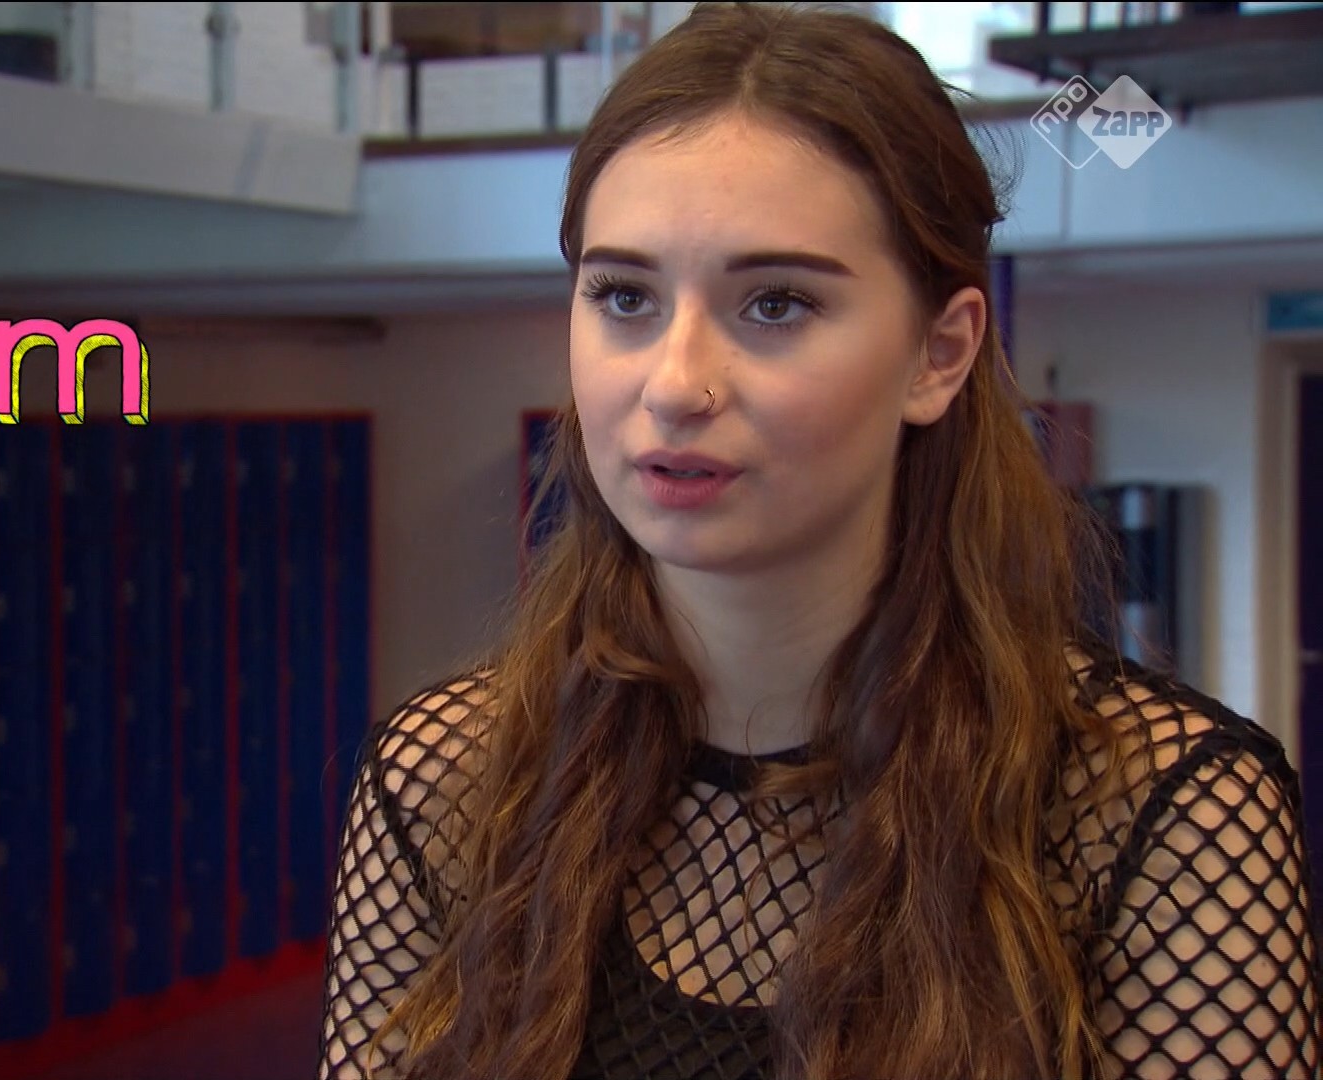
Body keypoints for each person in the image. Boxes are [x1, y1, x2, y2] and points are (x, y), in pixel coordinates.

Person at [315, 5, 1321, 1080]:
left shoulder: (1162, 817)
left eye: (777, 304)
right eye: (624, 296)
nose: (675, 384)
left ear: (940, 355)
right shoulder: (444, 784)